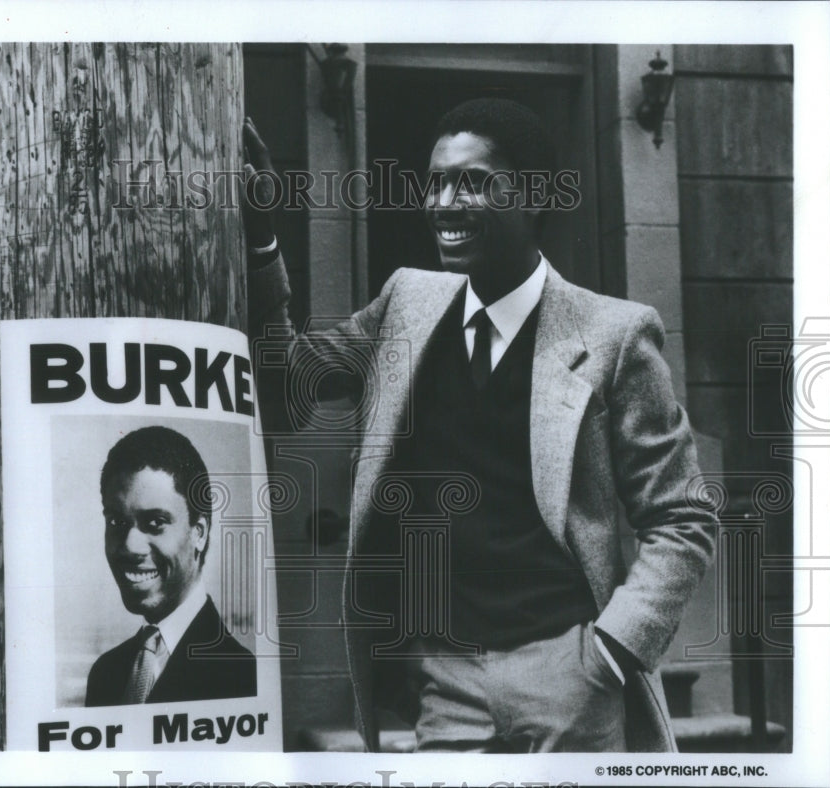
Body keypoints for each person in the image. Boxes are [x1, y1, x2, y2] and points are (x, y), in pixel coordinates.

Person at [242, 99, 716, 752]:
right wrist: (263, 238)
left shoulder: (613, 334)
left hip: (568, 677)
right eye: (436, 181)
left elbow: (683, 516)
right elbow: (287, 390)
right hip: (446, 682)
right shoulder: (406, 305)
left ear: (534, 195)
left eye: (471, 181)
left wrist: (613, 649)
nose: (443, 201)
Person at [85, 425, 256, 706]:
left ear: (198, 533)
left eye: (155, 523)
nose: (130, 545)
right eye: (117, 522)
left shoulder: (242, 677)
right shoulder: (105, 673)